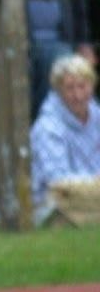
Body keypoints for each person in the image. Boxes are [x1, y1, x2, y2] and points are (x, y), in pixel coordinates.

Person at [29, 54, 100, 225]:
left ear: (92, 86)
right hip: (54, 206)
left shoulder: (97, 116)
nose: (78, 95)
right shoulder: (48, 127)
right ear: (58, 90)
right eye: (70, 88)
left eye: (82, 86)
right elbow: (58, 182)